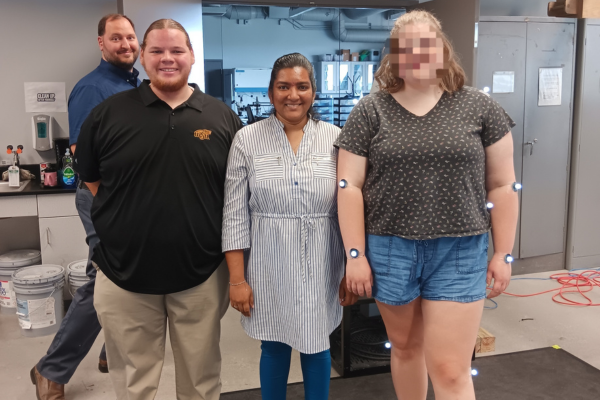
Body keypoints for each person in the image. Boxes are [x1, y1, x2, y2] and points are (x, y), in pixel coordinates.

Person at [335, 10, 518, 400]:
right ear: (395, 56)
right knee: (404, 349)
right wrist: (355, 254)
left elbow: (503, 185)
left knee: (450, 369)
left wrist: (503, 253)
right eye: (407, 47)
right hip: (389, 248)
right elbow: (348, 185)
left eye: (426, 44)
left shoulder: (480, 108)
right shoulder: (371, 110)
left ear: (442, 49)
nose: (417, 54)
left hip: (459, 249)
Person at [74, 19, 243, 400]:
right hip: (123, 275)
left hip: (200, 275)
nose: (167, 59)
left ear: (192, 56)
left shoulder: (221, 118)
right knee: (136, 384)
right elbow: (92, 180)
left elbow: (235, 195)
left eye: (176, 50)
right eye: (157, 51)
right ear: (143, 56)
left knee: (201, 382)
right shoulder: (107, 115)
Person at [222, 53, 357, 400]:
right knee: (274, 344)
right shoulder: (246, 140)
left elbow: (350, 209)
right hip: (269, 257)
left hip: (324, 257)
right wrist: (237, 280)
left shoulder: (336, 138)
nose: (292, 95)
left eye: (302, 86)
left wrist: (351, 266)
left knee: (317, 343)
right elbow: (234, 214)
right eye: (283, 86)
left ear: (313, 92)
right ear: (270, 93)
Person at [31, 13, 140, 400]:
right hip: (104, 198)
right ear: (101, 43)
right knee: (106, 279)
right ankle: (51, 370)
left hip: (130, 199)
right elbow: (81, 155)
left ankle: (111, 352)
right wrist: (112, 205)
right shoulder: (92, 89)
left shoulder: (133, 85)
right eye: (117, 38)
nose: (126, 44)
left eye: (130, 37)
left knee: (125, 277)